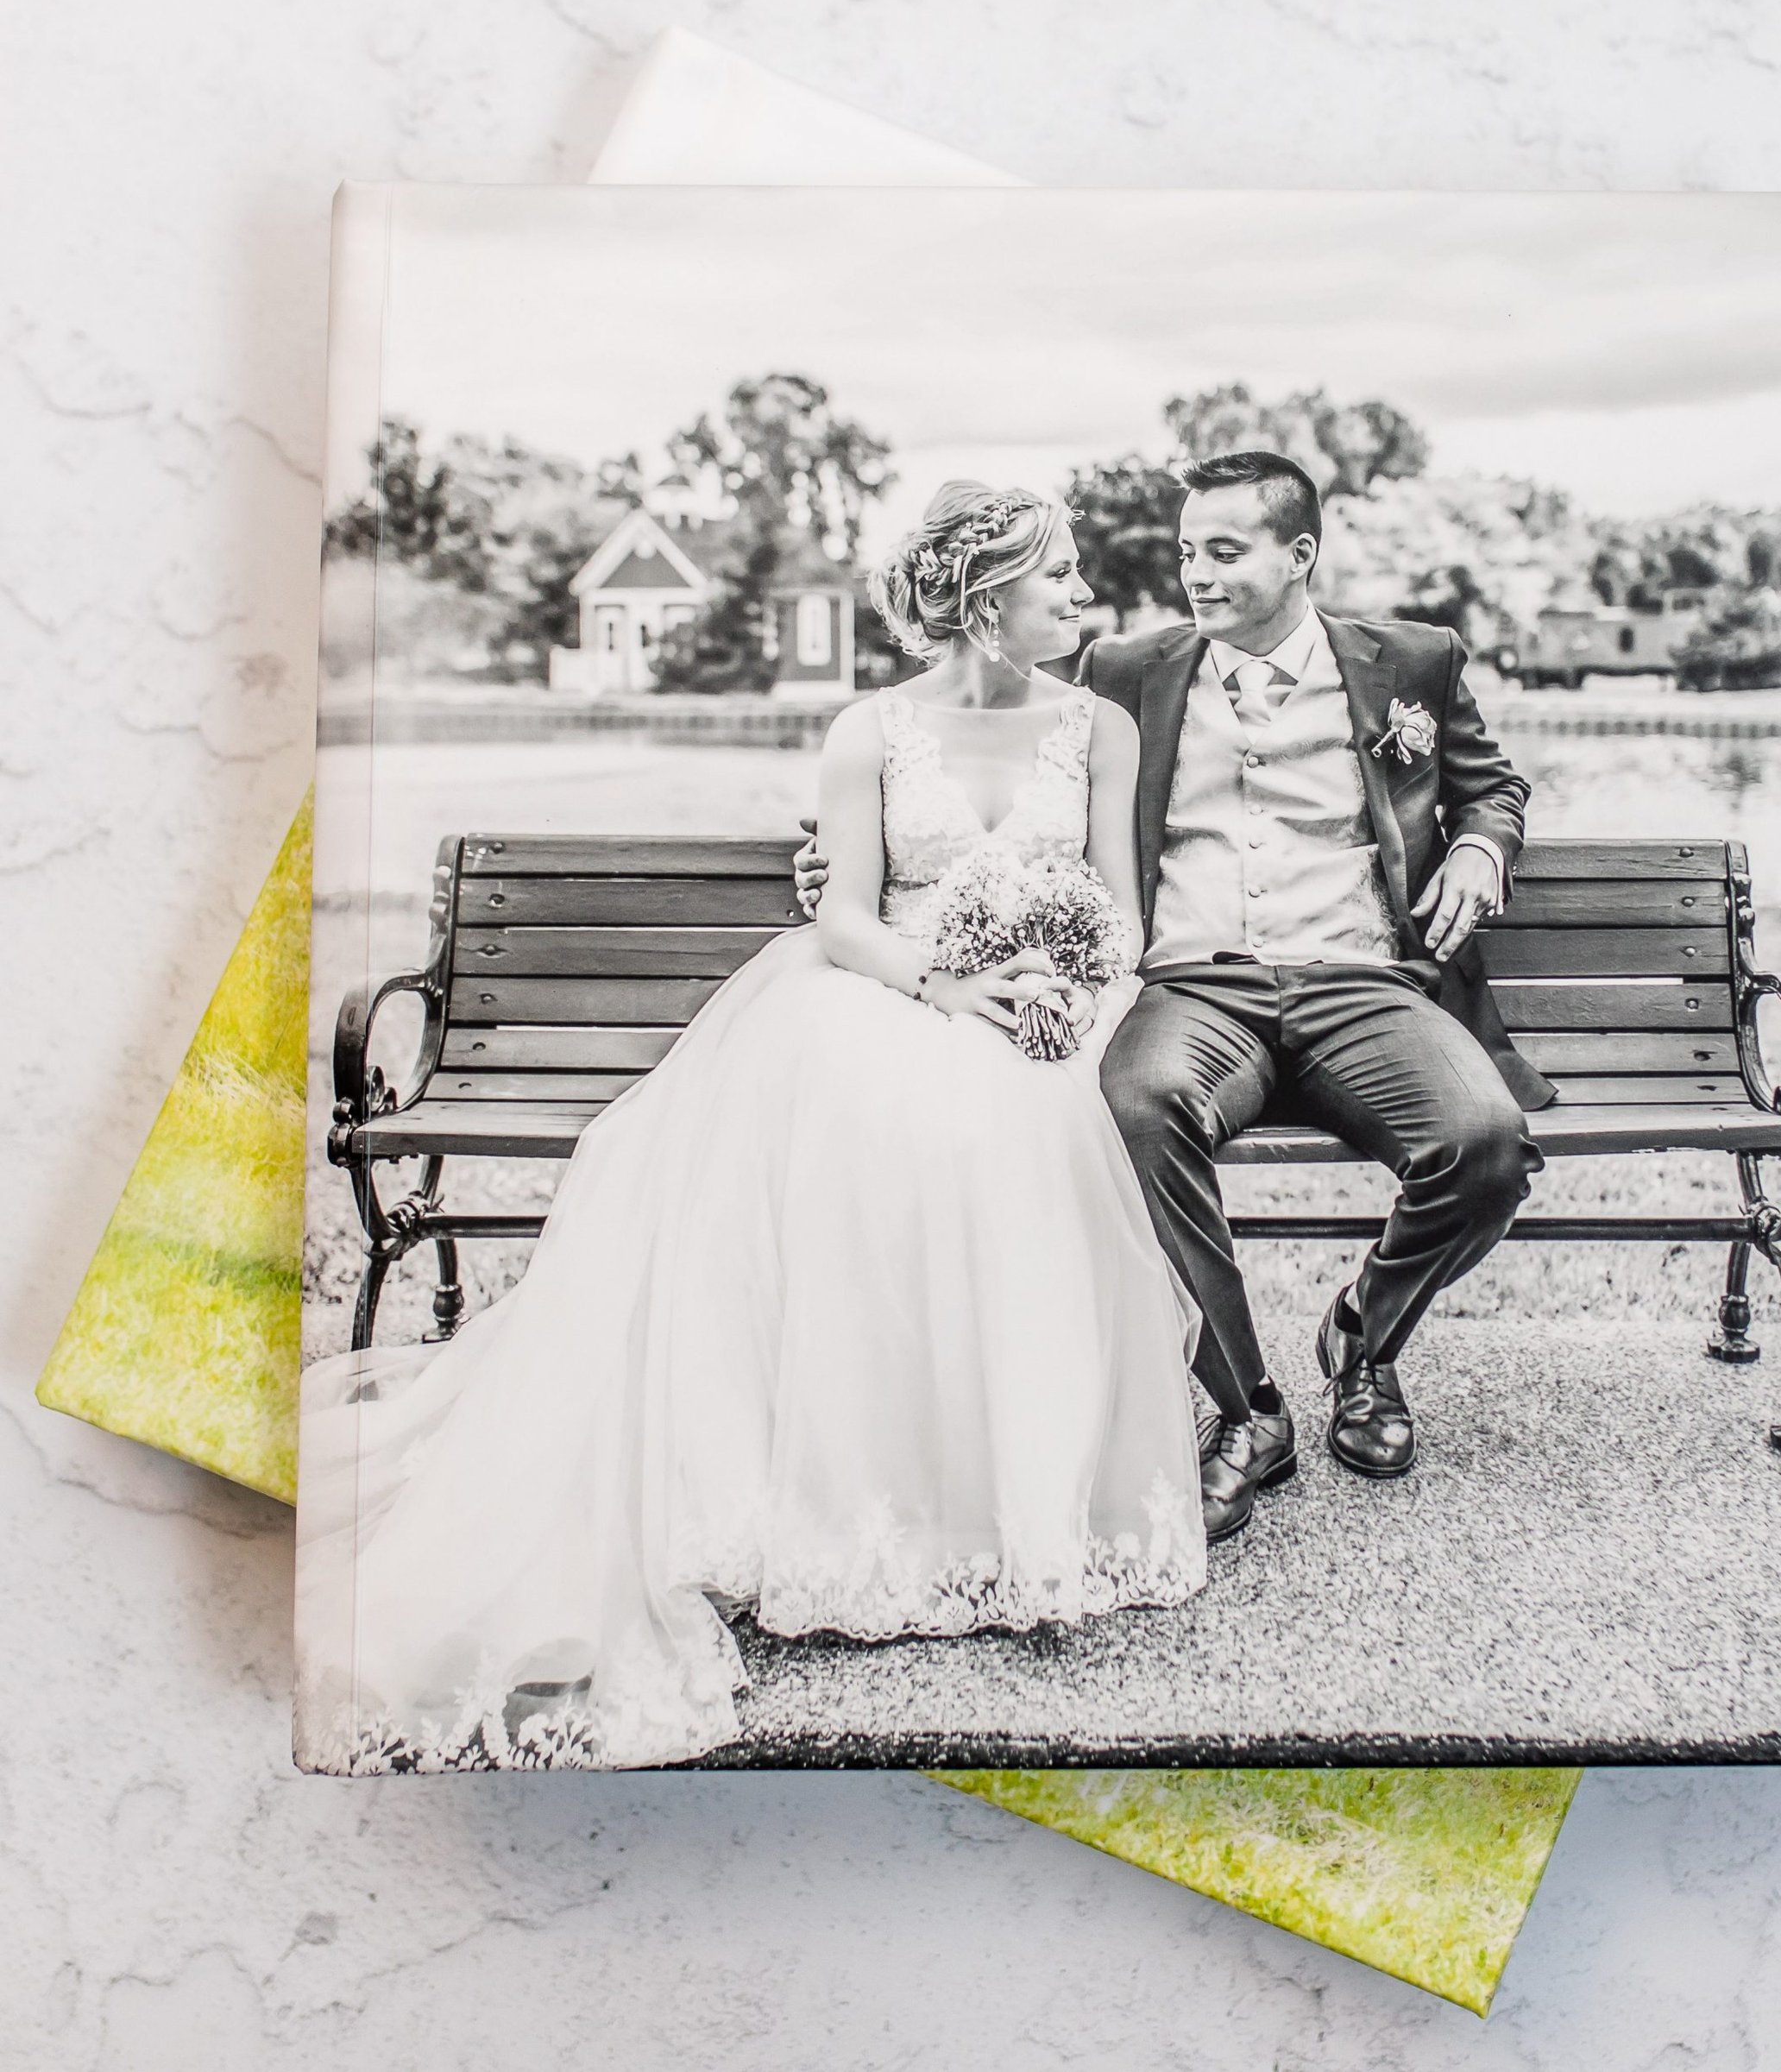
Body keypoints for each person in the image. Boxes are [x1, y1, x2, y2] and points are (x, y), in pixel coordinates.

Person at [294, 483, 1206, 1775]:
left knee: (1022, 1126)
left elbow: (1118, 909)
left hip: (1045, 1015)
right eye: (1060, 578)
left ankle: (1018, 1506)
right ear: (988, 596)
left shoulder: (1098, 727)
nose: (1085, 598)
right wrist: (943, 986)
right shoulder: (870, 730)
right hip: (894, 984)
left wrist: (1066, 996)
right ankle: (850, 1504)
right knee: (888, 1118)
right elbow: (844, 919)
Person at [797, 450, 1553, 1543]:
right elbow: (964, 745)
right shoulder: (1120, 670)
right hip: (1193, 986)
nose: (1195, 573)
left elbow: (1491, 786)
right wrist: (830, 868)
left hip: (1359, 979)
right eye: (1187, 550)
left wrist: (1481, 850)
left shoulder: (1414, 664)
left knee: (1485, 1144)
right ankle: (1245, 1410)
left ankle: (1364, 1340)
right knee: (1132, 1108)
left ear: (1298, 556)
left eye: (1224, 551)